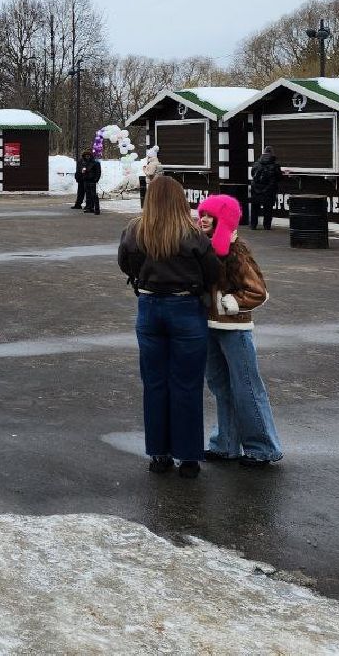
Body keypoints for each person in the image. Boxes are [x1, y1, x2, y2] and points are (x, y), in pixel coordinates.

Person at [117, 175, 221, 478]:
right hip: (186, 309)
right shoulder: (192, 235)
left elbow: (124, 263)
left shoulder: (135, 230)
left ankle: (158, 455)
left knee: (154, 383)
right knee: (187, 384)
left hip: (149, 309)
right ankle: (188, 458)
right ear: (180, 200)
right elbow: (212, 271)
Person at [195, 195, 283, 468]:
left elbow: (259, 292)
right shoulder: (201, 247)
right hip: (208, 327)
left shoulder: (237, 251)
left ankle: (263, 447)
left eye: (211, 215)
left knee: (246, 387)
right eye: (202, 214)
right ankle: (225, 444)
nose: (204, 219)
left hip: (234, 330)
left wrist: (233, 302)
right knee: (221, 387)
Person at [249, 149, 281, 231]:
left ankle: (253, 225)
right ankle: (266, 226)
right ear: (272, 154)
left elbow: (252, 174)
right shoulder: (275, 165)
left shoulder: (256, 164)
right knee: (268, 208)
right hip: (269, 190)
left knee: (255, 208)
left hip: (256, 189)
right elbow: (279, 177)